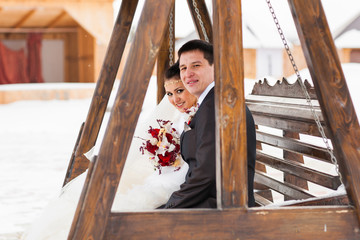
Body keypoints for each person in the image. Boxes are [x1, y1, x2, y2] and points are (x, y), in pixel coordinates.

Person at [22, 65, 198, 240]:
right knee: (108, 199)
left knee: (130, 203)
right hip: (165, 175)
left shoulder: (197, 117)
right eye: (169, 94)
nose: (175, 99)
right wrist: (161, 153)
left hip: (180, 181)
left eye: (179, 91)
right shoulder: (176, 121)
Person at [160, 39, 256, 209]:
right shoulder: (211, 101)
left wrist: (170, 207)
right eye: (183, 68)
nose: (187, 73)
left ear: (215, 67)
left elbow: (206, 174)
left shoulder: (215, 107)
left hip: (220, 208)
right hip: (213, 200)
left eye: (196, 65)